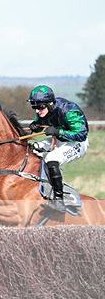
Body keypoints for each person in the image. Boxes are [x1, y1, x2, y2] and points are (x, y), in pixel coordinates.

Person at [26, 85, 90, 213]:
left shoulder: (69, 110)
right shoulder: (43, 110)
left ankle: (59, 201)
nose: (37, 110)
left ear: (50, 103)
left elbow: (82, 134)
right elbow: (40, 125)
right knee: (33, 148)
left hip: (77, 142)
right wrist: (35, 126)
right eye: (34, 106)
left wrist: (58, 131)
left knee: (51, 158)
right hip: (60, 139)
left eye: (40, 106)